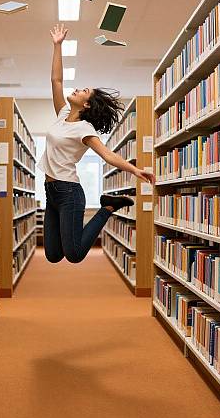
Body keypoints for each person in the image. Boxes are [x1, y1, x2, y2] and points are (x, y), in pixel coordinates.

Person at [38, 24, 155, 264]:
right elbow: (56, 80)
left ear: (87, 105)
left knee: (75, 255)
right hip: (51, 190)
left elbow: (108, 156)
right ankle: (107, 207)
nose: (78, 89)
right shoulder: (62, 114)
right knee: (52, 255)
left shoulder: (85, 129)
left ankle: (107, 208)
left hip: (69, 192)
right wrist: (57, 45)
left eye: (84, 91)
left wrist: (135, 170)